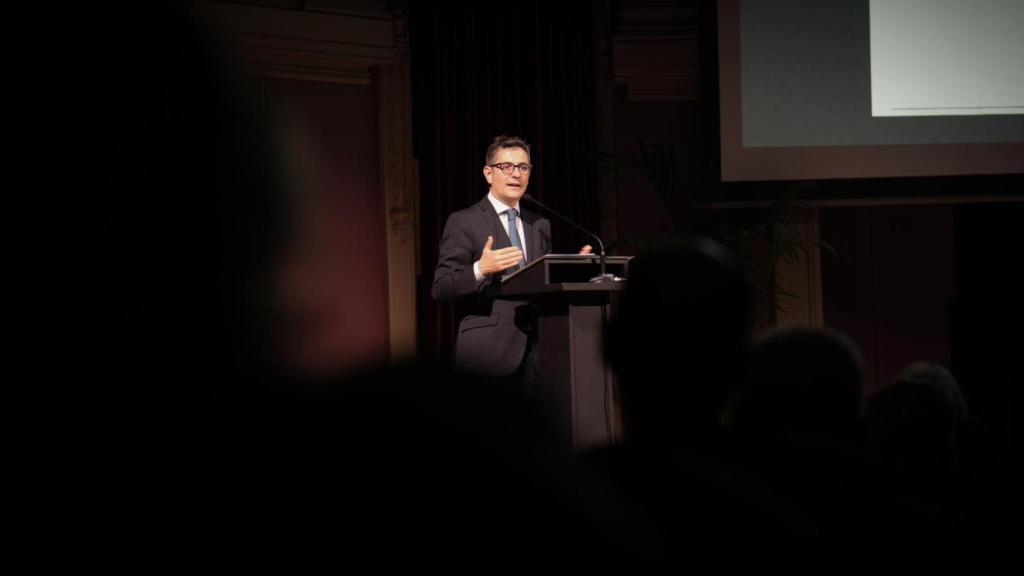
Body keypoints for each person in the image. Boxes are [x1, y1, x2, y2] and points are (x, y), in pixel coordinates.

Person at [432, 135, 590, 381]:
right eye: (506, 167)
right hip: (488, 353)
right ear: (488, 173)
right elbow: (441, 287)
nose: (516, 174)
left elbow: (540, 283)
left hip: (542, 352)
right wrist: (479, 269)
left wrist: (570, 271)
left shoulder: (539, 224)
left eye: (523, 167)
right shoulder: (464, 221)